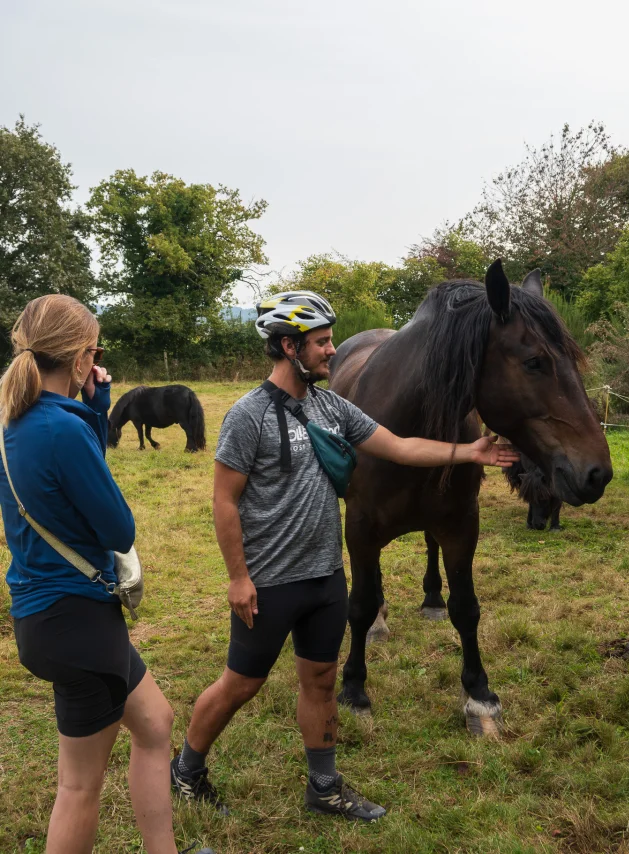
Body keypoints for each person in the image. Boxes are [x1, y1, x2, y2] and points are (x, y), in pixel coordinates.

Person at [171, 291, 519, 822]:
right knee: (240, 684)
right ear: (289, 347)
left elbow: (400, 447)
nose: (332, 351)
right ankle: (187, 769)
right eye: (321, 342)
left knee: (321, 682)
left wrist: (469, 452)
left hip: (325, 577)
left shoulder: (332, 407)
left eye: (332, 340)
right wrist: (238, 578)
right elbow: (224, 500)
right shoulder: (247, 415)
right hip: (269, 581)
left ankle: (325, 786)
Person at [0, 295, 213, 854]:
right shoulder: (60, 430)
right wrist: (91, 415)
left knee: (156, 723)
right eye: (94, 351)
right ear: (79, 358)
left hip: (49, 615)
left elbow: (71, 474)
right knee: (78, 786)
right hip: (77, 624)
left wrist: (98, 407)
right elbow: (119, 529)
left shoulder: (16, 422)